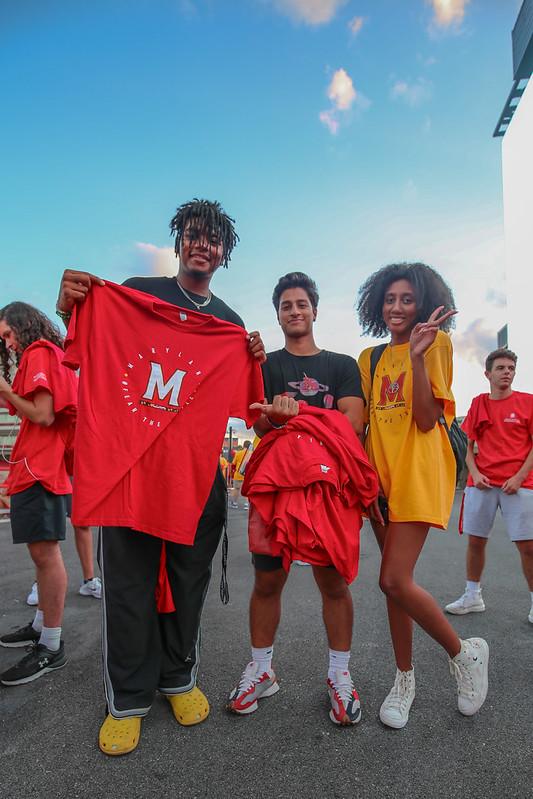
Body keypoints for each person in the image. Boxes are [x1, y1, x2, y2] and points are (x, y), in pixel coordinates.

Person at [56, 198, 265, 756]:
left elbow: (252, 408)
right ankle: (126, 699)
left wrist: (253, 360)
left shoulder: (230, 323)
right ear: (178, 241)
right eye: (194, 234)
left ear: (225, 251)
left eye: (214, 238)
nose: (203, 244)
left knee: (189, 583)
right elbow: (84, 351)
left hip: (195, 477)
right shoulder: (133, 292)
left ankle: (178, 677)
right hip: (128, 470)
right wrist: (70, 307)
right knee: (127, 586)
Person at [228, 272, 371, 725]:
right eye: (286, 305)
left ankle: (339, 675)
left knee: (334, 584)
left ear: (314, 309)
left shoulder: (342, 364)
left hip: (329, 490)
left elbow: (352, 425)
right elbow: (260, 425)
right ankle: (262, 669)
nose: (295, 311)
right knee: (267, 582)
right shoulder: (266, 365)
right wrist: (287, 419)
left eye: (301, 304)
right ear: (278, 314)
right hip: (276, 488)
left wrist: (298, 414)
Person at [357, 262, 489, 729]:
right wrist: (364, 480)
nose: (396, 307)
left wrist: (416, 356)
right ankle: (404, 679)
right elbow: (368, 426)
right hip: (381, 480)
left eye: (406, 299)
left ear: (422, 303)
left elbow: (429, 418)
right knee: (398, 588)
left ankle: (464, 653)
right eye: (390, 299)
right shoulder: (369, 359)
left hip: (419, 472)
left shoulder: (439, 343)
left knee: (392, 579)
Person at [0, 302, 78, 685]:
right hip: (40, 468)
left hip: (41, 470)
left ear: (22, 326)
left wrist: (5, 391)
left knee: (46, 555)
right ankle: (40, 625)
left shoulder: (41, 352)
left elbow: (43, 414)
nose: (9, 343)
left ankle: (51, 644)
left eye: (8, 334)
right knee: (41, 553)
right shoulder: (47, 353)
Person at [445, 348, 533, 622]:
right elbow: (468, 447)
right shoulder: (478, 403)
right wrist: (475, 473)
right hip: (481, 483)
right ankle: (473, 596)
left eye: (510, 368)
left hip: (519, 483)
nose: (507, 372)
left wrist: (518, 477)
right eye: (501, 368)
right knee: (476, 541)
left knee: (528, 546)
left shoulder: (528, 402)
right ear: (488, 374)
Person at [230, 440, 251, 509]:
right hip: (247, 474)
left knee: (236, 489)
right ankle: (246, 504)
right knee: (247, 489)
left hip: (238, 474)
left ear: (243, 445)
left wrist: (232, 473)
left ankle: (235, 503)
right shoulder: (251, 453)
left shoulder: (238, 453)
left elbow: (233, 464)